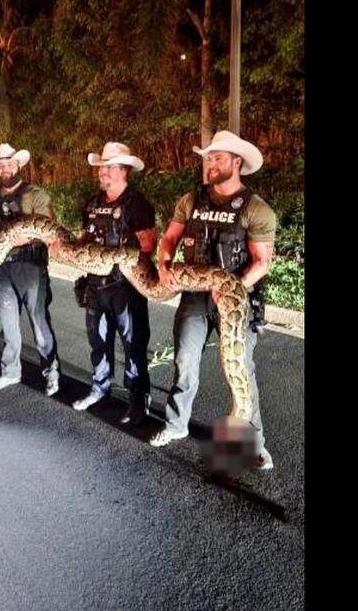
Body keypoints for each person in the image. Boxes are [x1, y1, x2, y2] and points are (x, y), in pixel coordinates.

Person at [148, 131, 277, 470]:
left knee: (240, 371)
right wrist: (163, 265)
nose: (211, 163)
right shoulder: (191, 200)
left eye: (219, 157)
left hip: (234, 303)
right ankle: (176, 426)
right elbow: (170, 239)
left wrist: (233, 287)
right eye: (209, 157)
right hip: (194, 298)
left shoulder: (255, 208)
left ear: (237, 162)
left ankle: (255, 444)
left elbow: (262, 262)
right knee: (184, 362)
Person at [59, 142, 158, 426]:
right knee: (98, 342)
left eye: (108, 167)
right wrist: (68, 249)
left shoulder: (137, 204)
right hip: (94, 286)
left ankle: (138, 400)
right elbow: (83, 240)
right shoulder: (92, 203)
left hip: (125, 288)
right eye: (101, 167)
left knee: (132, 345)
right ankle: (99, 388)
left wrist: (115, 257)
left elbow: (148, 245)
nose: (102, 172)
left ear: (124, 170)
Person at [0, 142, 60, 396]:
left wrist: (24, 239)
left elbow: (50, 232)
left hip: (30, 266)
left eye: (9, 163)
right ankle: (10, 372)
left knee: (39, 322)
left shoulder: (36, 195)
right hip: (1, 267)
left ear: (18, 164)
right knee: (7, 324)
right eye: (0, 164)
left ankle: (51, 372)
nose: (5, 168)